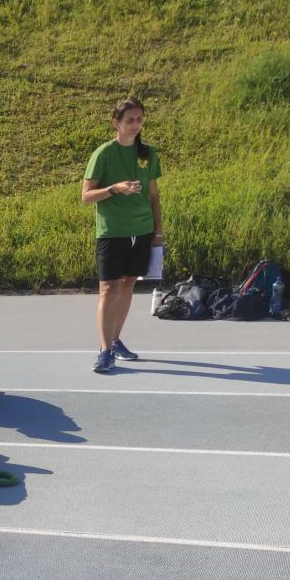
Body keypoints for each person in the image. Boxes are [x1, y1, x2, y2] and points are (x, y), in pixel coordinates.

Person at [82, 97, 163, 373]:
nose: (135, 125)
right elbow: (86, 196)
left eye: (139, 119)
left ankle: (115, 340)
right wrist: (114, 189)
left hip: (142, 231)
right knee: (108, 289)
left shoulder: (147, 154)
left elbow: (154, 197)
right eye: (129, 120)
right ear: (116, 123)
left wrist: (158, 232)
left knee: (128, 284)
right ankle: (105, 350)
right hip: (112, 232)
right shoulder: (103, 154)